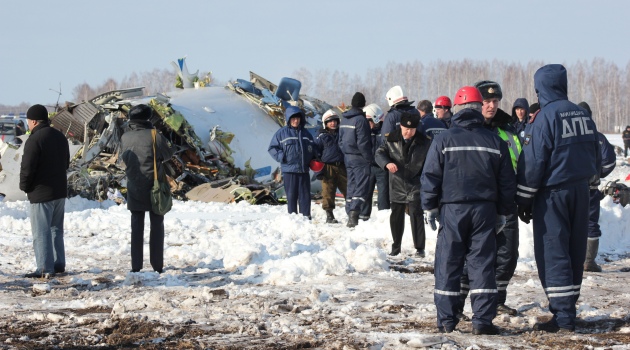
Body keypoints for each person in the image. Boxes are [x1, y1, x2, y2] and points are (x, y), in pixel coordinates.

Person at [421, 86, 516, 335]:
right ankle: (482, 321)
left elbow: (430, 175)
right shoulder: (495, 141)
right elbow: (506, 182)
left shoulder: (443, 139)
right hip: (485, 211)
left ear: (457, 109)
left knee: (448, 262)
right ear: (478, 108)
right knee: (482, 264)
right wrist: (503, 213)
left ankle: (446, 320)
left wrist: (429, 206)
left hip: (452, 210)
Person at [516, 64, 600, 333]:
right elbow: (596, 155)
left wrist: (525, 200)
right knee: (575, 251)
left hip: (553, 195)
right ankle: (569, 308)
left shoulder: (544, 118)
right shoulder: (583, 115)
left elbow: (534, 162)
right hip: (581, 191)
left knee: (554, 252)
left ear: (541, 88)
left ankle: (563, 317)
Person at [458, 80, 522, 317]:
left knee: (507, 253)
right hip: (476, 203)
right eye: (486, 101)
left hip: (506, 202)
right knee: (471, 255)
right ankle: (459, 303)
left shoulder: (508, 130)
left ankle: (497, 299)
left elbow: (521, 163)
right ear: (477, 102)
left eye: (496, 101)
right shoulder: (465, 130)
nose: (492, 106)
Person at [121, 104, 174, 273]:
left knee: (136, 227)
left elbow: (123, 160)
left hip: (134, 186)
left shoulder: (125, 137)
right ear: (148, 118)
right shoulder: (155, 135)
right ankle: (157, 266)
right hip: (154, 187)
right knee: (156, 226)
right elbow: (168, 154)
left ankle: (136, 266)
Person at [19, 104, 70, 279]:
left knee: (41, 231)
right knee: (56, 229)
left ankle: (43, 268)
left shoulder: (34, 139)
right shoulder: (60, 136)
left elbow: (27, 167)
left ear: (33, 121)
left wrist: (24, 186)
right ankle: (58, 263)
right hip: (59, 191)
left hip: (41, 193)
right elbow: (67, 163)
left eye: (28, 122)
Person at [376, 112, 430, 257]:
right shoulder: (390, 139)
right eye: (406, 129)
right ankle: (396, 246)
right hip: (397, 182)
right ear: (401, 126)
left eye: (412, 130)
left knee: (416, 215)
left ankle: (420, 248)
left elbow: (430, 161)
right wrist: (387, 163)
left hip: (415, 183)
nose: (409, 132)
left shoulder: (424, 141)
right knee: (396, 216)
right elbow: (379, 153)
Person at [578, 101, 617, 272]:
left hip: (572, 187)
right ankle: (588, 261)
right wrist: (598, 173)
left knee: (571, 222)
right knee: (590, 222)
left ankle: (576, 260)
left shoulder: (571, 135)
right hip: (591, 188)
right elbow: (610, 161)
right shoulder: (598, 137)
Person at [268, 106, 317, 219]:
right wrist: (282, 157)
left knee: (305, 196)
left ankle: (306, 217)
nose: (296, 121)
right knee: (291, 196)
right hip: (289, 171)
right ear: (289, 119)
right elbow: (272, 148)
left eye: (298, 118)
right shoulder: (281, 133)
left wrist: (315, 158)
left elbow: (312, 148)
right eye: (293, 118)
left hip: (303, 170)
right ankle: (293, 218)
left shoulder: (306, 134)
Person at [339, 92, 373, 227]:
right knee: (362, 185)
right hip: (359, 158)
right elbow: (363, 143)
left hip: (348, 157)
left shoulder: (344, 119)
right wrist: (368, 158)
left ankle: (349, 211)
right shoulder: (360, 120)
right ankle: (354, 213)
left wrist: (346, 152)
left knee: (351, 184)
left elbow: (340, 140)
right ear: (363, 104)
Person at [315, 109, 347, 224]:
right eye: (330, 121)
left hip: (342, 166)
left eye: (335, 121)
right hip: (327, 167)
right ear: (325, 123)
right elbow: (316, 154)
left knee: (348, 190)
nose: (333, 123)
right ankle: (329, 215)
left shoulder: (342, 133)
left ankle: (352, 213)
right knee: (328, 191)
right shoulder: (321, 136)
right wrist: (318, 172)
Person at [360, 103, 390, 221]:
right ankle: (364, 218)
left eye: (369, 121)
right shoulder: (365, 132)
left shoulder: (384, 132)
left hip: (382, 167)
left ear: (376, 118)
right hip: (368, 166)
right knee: (366, 193)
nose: (367, 124)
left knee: (383, 194)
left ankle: (383, 218)